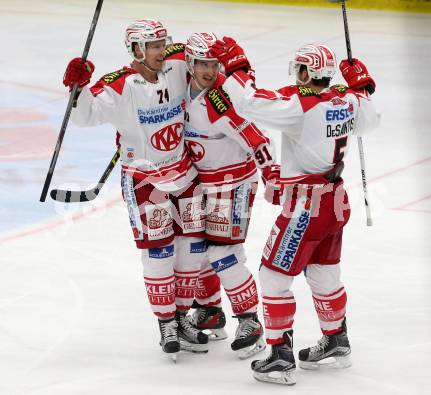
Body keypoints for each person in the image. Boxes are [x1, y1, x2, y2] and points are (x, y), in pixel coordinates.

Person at [211, 38, 379, 383]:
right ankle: (336, 339)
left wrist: (236, 67)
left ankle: (280, 357)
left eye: (300, 67)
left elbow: (247, 103)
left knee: (273, 277)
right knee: (323, 273)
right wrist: (361, 86)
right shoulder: (347, 100)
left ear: (307, 70)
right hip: (334, 200)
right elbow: (370, 121)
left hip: (306, 205)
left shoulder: (300, 107)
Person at [63, 19, 210, 360]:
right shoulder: (118, 84)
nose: (163, 50)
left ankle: (181, 315)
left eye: (163, 43)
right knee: (159, 253)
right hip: (145, 182)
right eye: (155, 45)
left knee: (192, 247)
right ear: (137, 49)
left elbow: (204, 56)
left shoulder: (176, 63)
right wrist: (79, 88)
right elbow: (84, 117)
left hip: (185, 174)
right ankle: (165, 324)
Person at [183, 32, 276, 358]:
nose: (210, 70)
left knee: (224, 253)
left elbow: (257, 139)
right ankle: (210, 311)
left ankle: (251, 322)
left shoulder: (219, 100)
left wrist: (271, 175)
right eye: (203, 63)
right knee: (197, 251)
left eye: (215, 63)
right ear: (190, 63)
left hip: (235, 184)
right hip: (199, 184)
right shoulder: (180, 88)